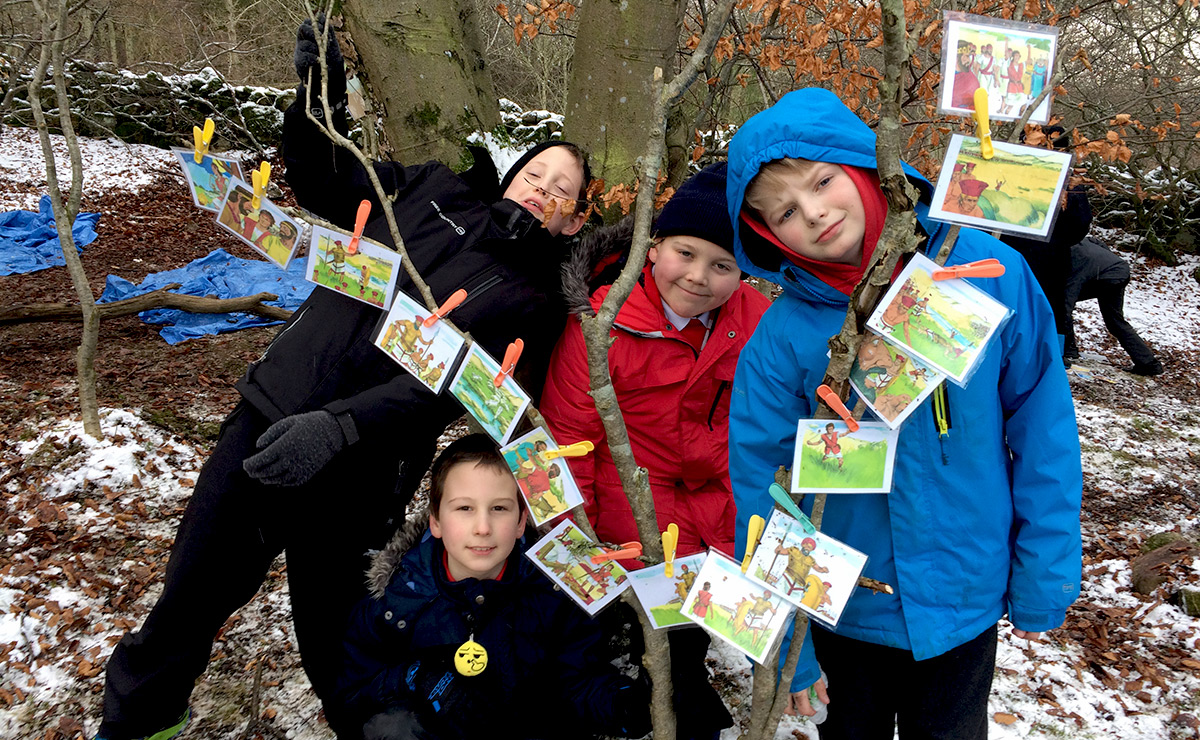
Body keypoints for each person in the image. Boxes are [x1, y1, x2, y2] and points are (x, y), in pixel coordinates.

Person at [96, 17, 590, 740]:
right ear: (513, 175)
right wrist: (317, 94)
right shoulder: (429, 193)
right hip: (270, 420)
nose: (543, 190)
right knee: (189, 601)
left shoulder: (538, 302)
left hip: (364, 472)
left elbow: (461, 386)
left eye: (563, 191)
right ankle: (137, 724)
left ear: (575, 221)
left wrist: (343, 426)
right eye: (536, 174)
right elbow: (325, 179)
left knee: (344, 645)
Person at [725, 87, 1082, 738]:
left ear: (864, 164)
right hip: (845, 612)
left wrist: (1045, 568)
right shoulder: (780, 341)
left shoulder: (987, 273)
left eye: (822, 180)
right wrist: (789, 645)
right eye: (783, 213)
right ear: (764, 233)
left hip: (964, 596)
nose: (813, 213)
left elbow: (1044, 428)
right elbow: (763, 485)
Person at [540, 162, 771, 740]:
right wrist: (582, 541)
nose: (698, 277)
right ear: (653, 248)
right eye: (685, 254)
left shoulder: (757, 324)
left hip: (714, 516)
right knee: (625, 649)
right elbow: (568, 439)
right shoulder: (603, 324)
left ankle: (682, 695)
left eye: (723, 266)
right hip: (626, 518)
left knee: (683, 649)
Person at [336, 434, 651, 740]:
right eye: (464, 509)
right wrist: (414, 677)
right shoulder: (397, 598)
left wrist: (623, 706)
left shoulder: (554, 591)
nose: (483, 528)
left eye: (499, 508)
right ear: (436, 521)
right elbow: (353, 694)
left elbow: (577, 683)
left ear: (519, 521)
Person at [1001, 126, 1094, 353]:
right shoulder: (1069, 181)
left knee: (1009, 304)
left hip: (1008, 254)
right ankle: (1051, 358)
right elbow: (1080, 225)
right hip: (1051, 259)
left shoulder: (1008, 172)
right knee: (1047, 309)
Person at [1063, 237, 1164, 375]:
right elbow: (1097, 242)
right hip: (1119, 270)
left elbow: (1066, 303)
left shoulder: (1073, 258)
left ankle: (1069, 351)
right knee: (1116, 322)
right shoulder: (1077, 241)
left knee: (1061, 307)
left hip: (1105, 277)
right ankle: (1149, 364)